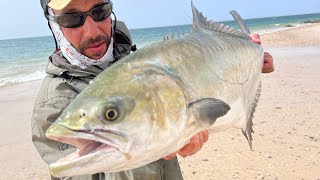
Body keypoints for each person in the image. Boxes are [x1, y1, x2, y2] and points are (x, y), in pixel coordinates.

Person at [31, 0, 274, 179]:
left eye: (100, 11)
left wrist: (253, 62)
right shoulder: (53, 104)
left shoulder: (131, 61)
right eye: (71, 18)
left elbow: (217, 82)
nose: (93, 31)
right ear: (53, 25)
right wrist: (169, 142)